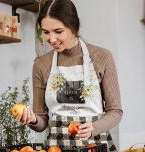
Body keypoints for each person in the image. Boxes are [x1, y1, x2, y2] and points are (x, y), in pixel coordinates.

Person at [15, 0, 123, 151]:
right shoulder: (41, 64)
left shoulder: (102, 57)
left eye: (58, 31)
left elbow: (115, 111)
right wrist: (32, 119)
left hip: (95, 144)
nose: (51, 39)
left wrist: (94, 128)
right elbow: (41, 121)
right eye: (46, 32)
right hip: (56, 147)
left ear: (73, 27)